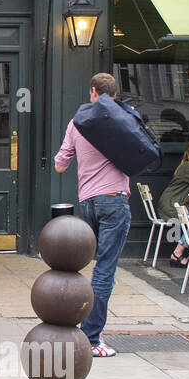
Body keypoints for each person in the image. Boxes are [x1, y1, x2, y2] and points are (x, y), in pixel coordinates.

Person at [53, 72, 130, 358]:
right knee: (105, 271)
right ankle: (92, 338)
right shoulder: (122, 120)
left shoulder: (78, 123)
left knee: (83, 267)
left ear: (94, 92)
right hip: (114, 200)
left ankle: (72, 323)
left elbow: (60, 165)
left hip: (88, 202)